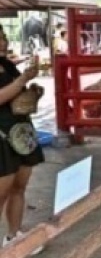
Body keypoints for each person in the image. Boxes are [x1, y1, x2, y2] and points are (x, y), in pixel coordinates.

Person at [0, 25, 44, 254]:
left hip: (21, 132)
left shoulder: (7, 64)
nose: (4, 42)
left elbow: (17, 94)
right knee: (1, 193)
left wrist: (32, 90)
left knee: (19, 187)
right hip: (2, 135)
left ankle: (13, 236)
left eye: (4, 37)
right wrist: (21, 81)